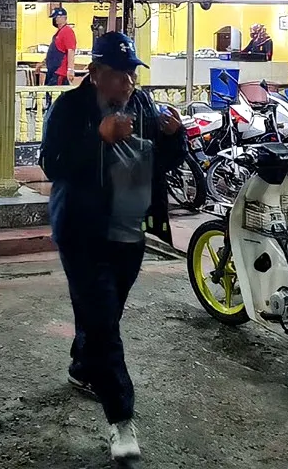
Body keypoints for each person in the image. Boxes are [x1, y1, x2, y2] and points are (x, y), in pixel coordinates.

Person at [39, 31, 186, 463]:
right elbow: (53, 164)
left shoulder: (141, 106)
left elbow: (164, 162)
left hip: (129, 232)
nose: (127, 83)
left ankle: (83, 366)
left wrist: (175, 137)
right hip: (83, 233)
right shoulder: (68, 108)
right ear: (96, 73)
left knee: (105, 313)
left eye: (131, 74)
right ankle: (121, 419)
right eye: (119, 75)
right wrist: (98, 138)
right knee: (104, 320)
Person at [44, 7, 77, 86]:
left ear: (64, 18)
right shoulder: (59, 32)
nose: (55, 20)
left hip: (60, 72)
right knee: (49, 94)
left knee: (56, 96)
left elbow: (71, 50)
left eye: (57, 17)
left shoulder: (67, 31)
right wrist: (42, 63)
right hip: (53, 71)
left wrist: (70, 69)